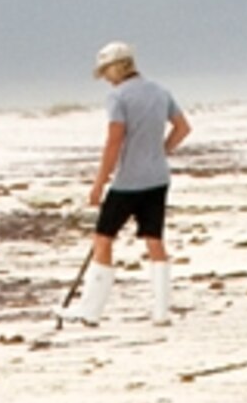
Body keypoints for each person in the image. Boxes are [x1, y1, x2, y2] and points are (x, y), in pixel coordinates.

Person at [65, 41, 190, 325]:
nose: (106, 79)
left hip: (127, 182)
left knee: (103, 238)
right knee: (155, 240)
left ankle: (91, 311)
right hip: (158, 178)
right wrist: (161, 151)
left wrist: (99, 183)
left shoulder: (118, 98)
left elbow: (114, 141)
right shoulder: (160, 91)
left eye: (106, 72)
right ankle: (161, 313)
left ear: (117, 67)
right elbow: (183, 128)